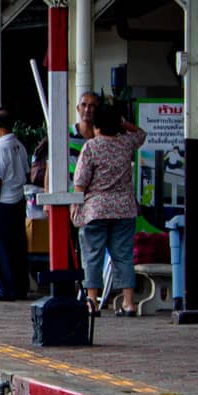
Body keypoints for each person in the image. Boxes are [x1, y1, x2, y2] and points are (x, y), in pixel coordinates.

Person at [74, 103, 146, 316]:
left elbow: (80, 181)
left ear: (96, 125)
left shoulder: (91, 147)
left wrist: (76, 207)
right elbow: (141, 133)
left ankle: (93, 301)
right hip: (124, 209)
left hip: (96, 209)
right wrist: (123, 123)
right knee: (123, 255)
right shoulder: (126, 143)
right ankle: (129, 302)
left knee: (92, 255)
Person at [0, 108, 31, 301]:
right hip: (19, 200)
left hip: (3, 202)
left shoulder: (0, 147)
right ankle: (20, 286)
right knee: (17, 246)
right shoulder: (19, 145)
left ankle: (4, 288)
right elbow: (27, 172)